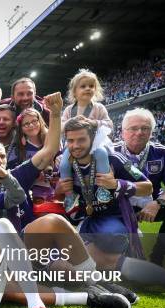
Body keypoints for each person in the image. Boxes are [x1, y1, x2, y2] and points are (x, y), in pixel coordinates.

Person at [0, 179, 137, 308]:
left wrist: (6, 177)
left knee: (53, 222)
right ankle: (92, 296)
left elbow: (15, 198)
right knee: (0, 288)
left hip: (14, 246)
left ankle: (99, 281)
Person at [57, 116, 153, 269]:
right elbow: (60, 197)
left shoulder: (114, 158)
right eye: (70, 141)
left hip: (109, 218)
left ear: (93, 138)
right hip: (81, 219)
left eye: (81, 140)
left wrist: (117, 184)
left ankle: (113, 254)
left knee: (113, 237)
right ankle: (99, 257)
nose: (75, 146)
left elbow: (148, 187)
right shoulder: (65, 162)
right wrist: (61, 188)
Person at [0, 93, 64, 231]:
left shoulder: (18, 174)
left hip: (27, 237)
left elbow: (49, 150)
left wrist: (55, 114)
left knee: (54, 221)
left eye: (2, 156)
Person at [113, 108, 165, 265]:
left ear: (151, 132)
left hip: (152, 204)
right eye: (133, 128)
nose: (139, 132)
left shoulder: (162, 153)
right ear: (123, 132)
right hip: (118, 206)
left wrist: (157, 203)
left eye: (145, 128)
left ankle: (159, 255)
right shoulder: (109, 152)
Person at [60, 69, 114, 211]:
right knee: (64, 165)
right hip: (74, 145)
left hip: (96, 143)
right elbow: (61, 127)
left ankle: (103, 189)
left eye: (91, 86)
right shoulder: (68, 110)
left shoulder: (99, 108)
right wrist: (73, 121)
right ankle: (70, 194)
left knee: (101, 154)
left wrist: (94, 123)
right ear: (74, 91)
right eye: (83, 86)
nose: (88, 89)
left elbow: (109, 124)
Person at [12, 108, 58, 201]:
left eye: (34, 121)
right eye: (26, 124)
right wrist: (35, 174)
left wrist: (55, 173)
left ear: (40, 121)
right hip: (32, 191)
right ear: (21, 128)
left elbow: (60, 160)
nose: (31, 125)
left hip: (56, 188)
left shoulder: (51, 140)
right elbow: (14, 171)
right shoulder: (18, 148)